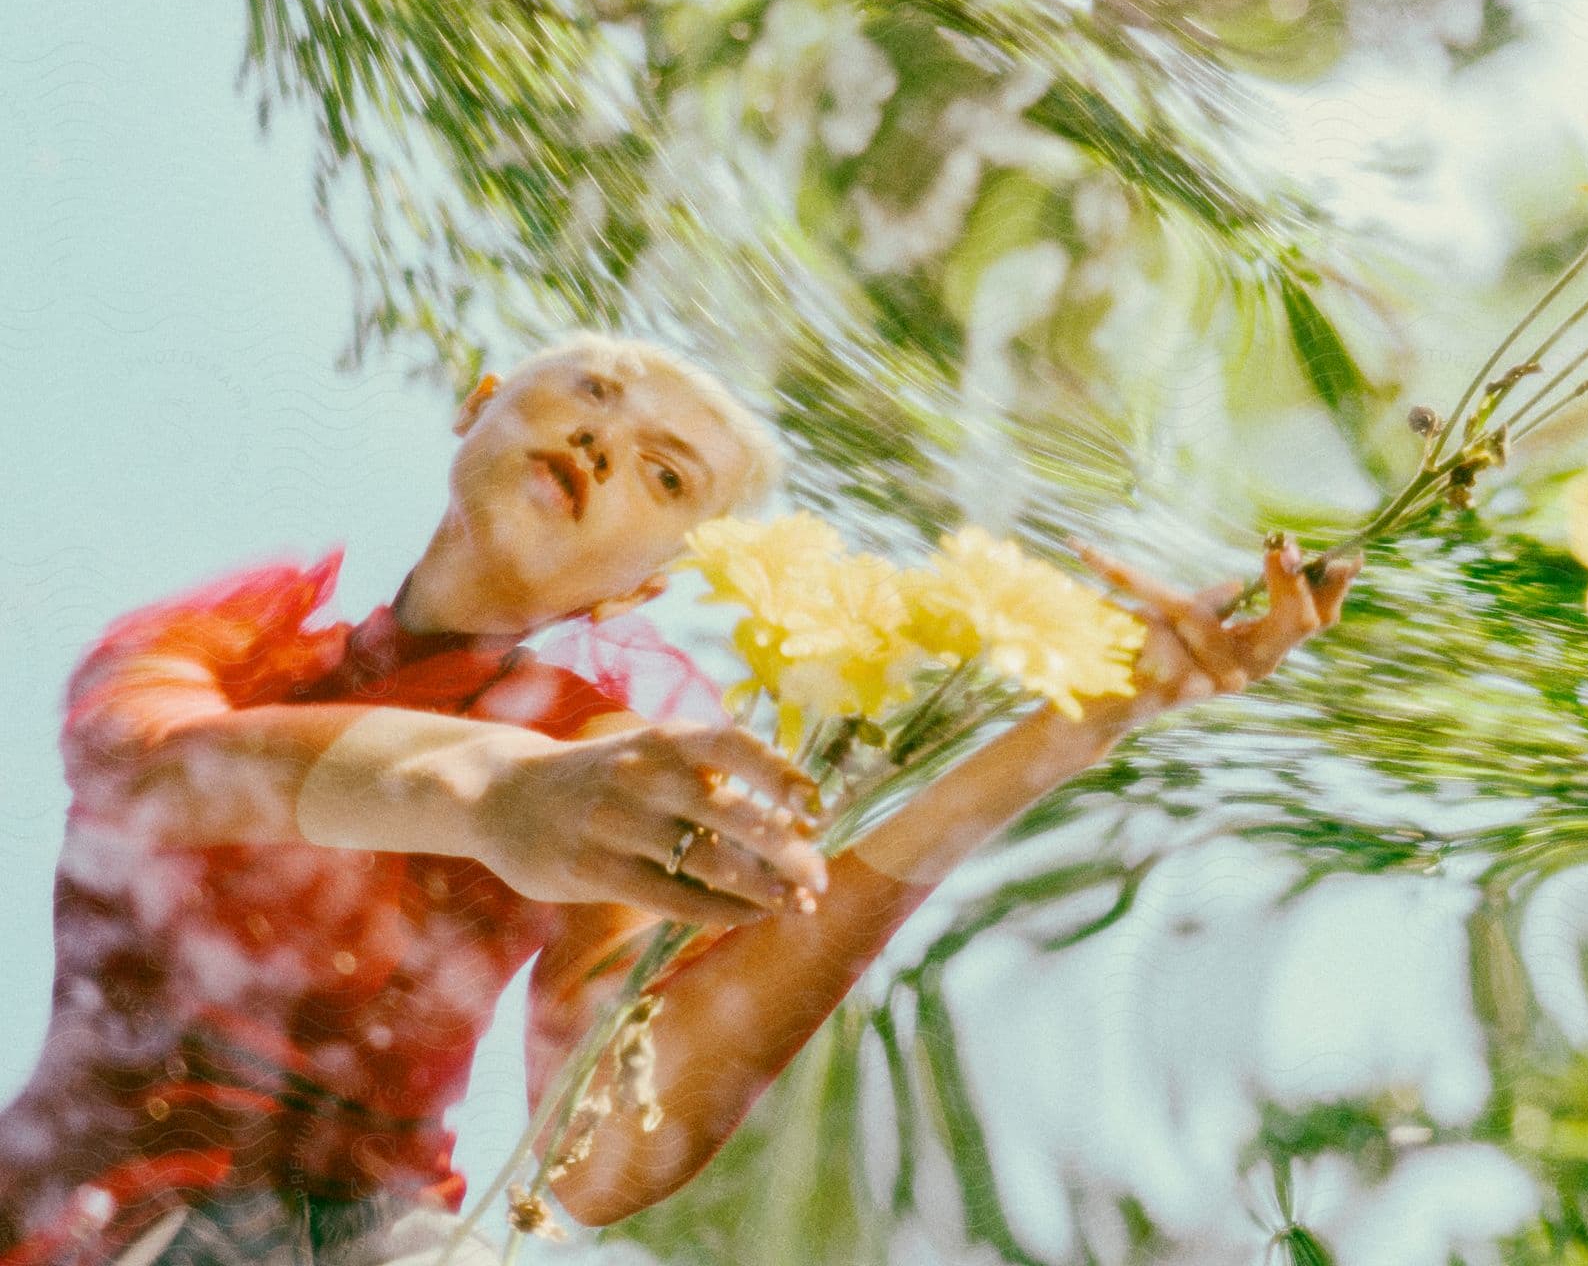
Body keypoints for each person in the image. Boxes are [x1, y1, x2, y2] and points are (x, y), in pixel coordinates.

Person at [0, 334, 1358, 1264]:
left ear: (651, 579)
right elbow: (144, 769)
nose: (604, 438)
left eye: (665, 474)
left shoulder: (614, 762)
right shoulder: (248, 638)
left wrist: (1086, 716)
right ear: (476, 402)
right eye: (586, 392)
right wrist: (497, 798)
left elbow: (602, 1152)